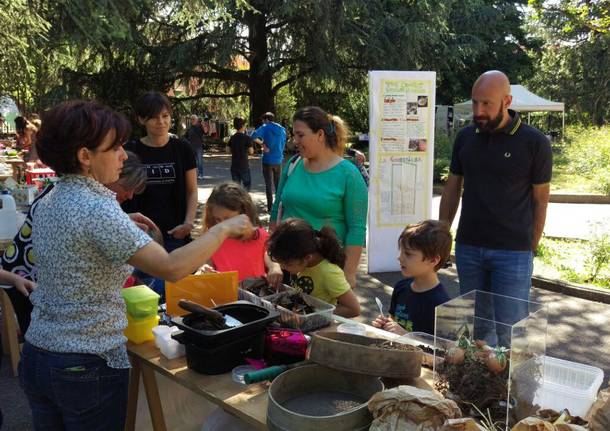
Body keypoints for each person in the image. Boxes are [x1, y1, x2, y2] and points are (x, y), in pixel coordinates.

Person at [19, 100, 252, 430]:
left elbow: (74, 239)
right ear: (85, 157)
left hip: (38, 354)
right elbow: (171, 267)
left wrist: (122, 221)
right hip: (85, 364)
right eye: (113, 147)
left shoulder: (50, 196)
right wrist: (223, 228)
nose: (123, 155)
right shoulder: (97, 206)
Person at [439, 70, 552, 344]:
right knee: (474, 329)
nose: (478, 110)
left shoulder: (535, 143)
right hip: (468, 248)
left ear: (507, 101)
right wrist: (443, 235)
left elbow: (541, 200)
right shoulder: (465, 137)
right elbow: (453, 187)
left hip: (513, 252)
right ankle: (475, 385)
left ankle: (514, 386)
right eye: (475, 102)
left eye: (486, 103)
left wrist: (530, 246)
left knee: (511, 331)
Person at [1, 151, 151, 334]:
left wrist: (123, 220)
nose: (130, 195)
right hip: (25, 284)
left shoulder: (67, 190)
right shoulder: (86, 202)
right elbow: (168, 266)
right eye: (127, 186)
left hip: (37, 287)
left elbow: (77, 228)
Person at [270, 106, 368, 289]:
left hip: (327, 270)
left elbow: (357, 229)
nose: (294, 141)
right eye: (294, 135)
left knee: (321, 317)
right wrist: (275, 261)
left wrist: (349, 272)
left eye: (300, 135)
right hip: (288, 267)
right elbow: (277, 210)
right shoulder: (293, 164)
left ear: (320, 135)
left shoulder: (349, 174)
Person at [122, 91, 198, 252]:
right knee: (141, 278)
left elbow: (192, 190)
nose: (161, 122)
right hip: (139, 233)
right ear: (142, 119)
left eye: (165, 116)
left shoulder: (183, 149)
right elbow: (119, 190)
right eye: (154, 117)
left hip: (175, 233)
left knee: (173, 277)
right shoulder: (129, 151)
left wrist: (188, 223)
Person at [267, 218, 360, 318]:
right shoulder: (299, 260)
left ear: (307, 257)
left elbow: (353, 309)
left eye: (287, 264)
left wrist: (313, 315)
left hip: (319, 327)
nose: (282, 268)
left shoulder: (328, 273)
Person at [371, 220, 451, 335]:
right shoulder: (401, 287)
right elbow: (394, 322)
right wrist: (385, 326)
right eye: (401, 252)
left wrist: (406, 336)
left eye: (408, 254)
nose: (399, 258)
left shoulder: (441, 304)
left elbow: (445, 349)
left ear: (433, 260)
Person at [203, 182, 282, 286]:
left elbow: (269, 256)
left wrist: (274, 267)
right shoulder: (213, 238)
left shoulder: (259, 235)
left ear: (244, 213)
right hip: (225, 294)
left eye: (228, 219)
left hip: (254, 295)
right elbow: (207, 263)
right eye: (218, 219)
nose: (223, 225)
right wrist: (204, 269)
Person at [251, 112, 286, 212]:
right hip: (278, 160)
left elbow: (253, 135)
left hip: (267, 159)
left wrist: (263, 145)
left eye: (263, 120)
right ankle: (279, 206)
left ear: (266, 120)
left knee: (268, 184)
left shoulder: (265, 127)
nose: (262, 122)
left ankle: (270, 208)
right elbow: (283, 143)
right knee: (278, 185)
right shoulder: (282, 129)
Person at [227, 117, 254, 190]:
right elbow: (251, 151)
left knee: (236, 187)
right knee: (246, 185)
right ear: (242, 126)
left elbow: (227, 150)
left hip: (234, 164)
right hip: (244, 164)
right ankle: (244, 200)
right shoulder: (247, 138)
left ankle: (236, 200)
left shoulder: (232, 138)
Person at [186, 114, 205, 179]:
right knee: (194, 162)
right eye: (192, 119)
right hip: (191, 147)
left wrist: (203, 125)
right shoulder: (189, 127)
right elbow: (186, 136)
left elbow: (205, 131)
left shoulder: (200, 126)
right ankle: (195, 174)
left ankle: (201, 174)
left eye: (194, 119)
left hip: (199, 147)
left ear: (196, 120)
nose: (193, 120)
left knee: (200, 161)